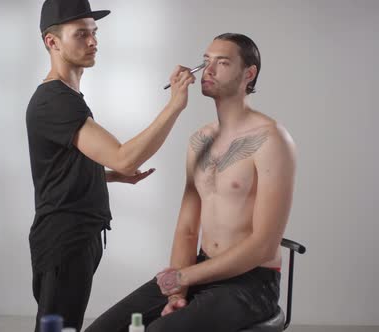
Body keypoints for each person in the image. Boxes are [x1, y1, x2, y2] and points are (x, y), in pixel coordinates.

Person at [86, 33, 297, 332]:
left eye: (222, 63)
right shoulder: (199, 141)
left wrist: (185, 278)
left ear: (249, 74)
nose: (208, 70)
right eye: (206, 61)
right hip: (200, 269)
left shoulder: (272, 139)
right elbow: (187, 230)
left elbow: (263, 246)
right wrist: (176, 291)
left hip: (250, 284)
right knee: (102, 330)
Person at [26, 0, 196, 331]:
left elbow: (60, 167)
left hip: (78, 235)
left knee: (62, 325)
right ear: (52, 42)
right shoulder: (55, 100)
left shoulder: (68, 96)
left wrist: (107, 177)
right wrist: (175, 105)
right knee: (58, 328)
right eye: (81, 34)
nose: (93, 42)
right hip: (65, 238)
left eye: (94, 32)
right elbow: (124, 156)